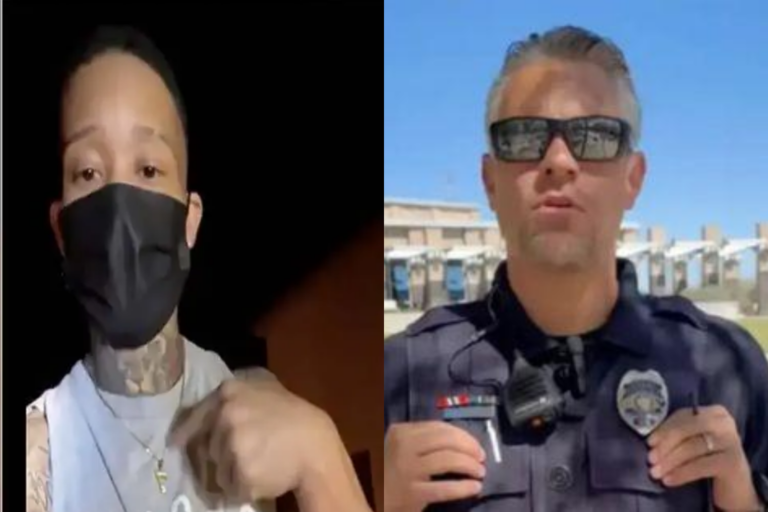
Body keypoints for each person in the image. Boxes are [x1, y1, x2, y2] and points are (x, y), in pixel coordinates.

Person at [384, 26, 768, 512]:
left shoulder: (728, 366)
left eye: (595, 136)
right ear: (489, 182)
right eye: (524, 136)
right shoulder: (401, 376)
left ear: (633, 179)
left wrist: (746, 502)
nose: (559, 161)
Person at [25, 26, 370, 512]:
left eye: (148, 169)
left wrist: (322, 457)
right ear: (61, 230)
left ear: (189, 221)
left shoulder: (249, 397)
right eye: (88, 172)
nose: (120, 205)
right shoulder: (36, 456)